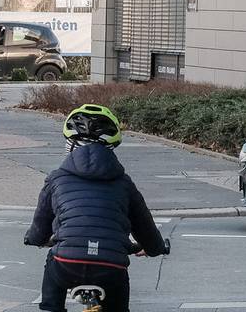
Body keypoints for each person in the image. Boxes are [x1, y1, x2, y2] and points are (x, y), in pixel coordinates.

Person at [24, 105, 168, 312]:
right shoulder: (124, 183)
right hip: (111, 267)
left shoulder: (56, 179)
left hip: (66, 264)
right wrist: (155, 248)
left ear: (70, 145)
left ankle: (51, 308)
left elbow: (40, 227)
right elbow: (145, 227)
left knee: (52, 268)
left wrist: (34, 239)